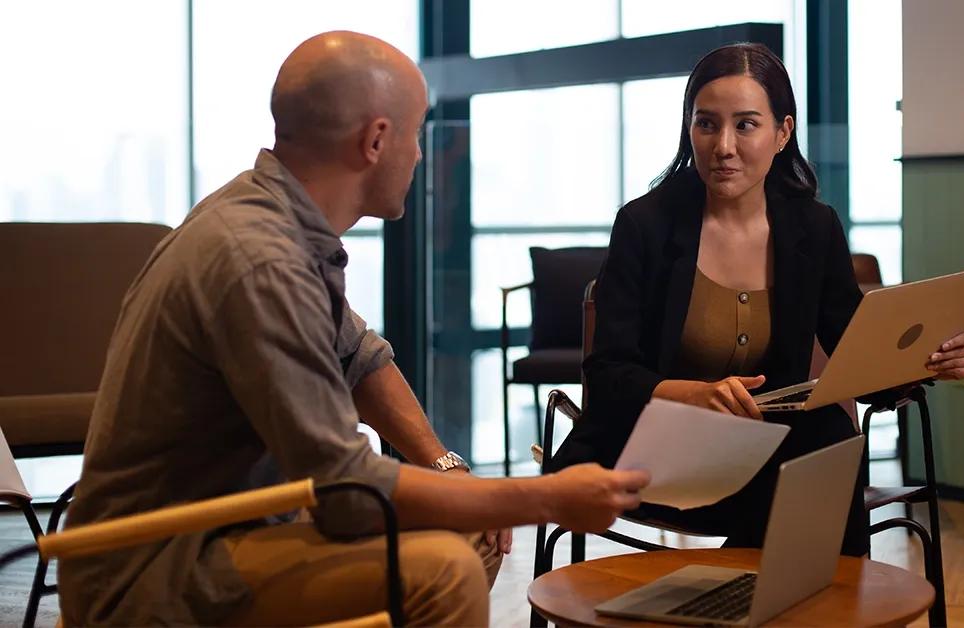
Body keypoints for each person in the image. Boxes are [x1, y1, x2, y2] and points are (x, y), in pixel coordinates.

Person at [58, 31, 649, 627]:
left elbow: (362, 359)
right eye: (416, 133)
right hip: (151, 567)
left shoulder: (277, 222)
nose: (419, 154)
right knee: (442, 570)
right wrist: (547, 495)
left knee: (465, 535)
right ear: (375, 140)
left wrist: (445, 466)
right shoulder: (261, 261)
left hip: (232, 526)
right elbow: (346, 495)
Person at [549, 43, 964, 555]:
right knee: (808, 476)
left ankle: (757, 601)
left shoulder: (813, 227)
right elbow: (608, 373)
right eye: (706, 124)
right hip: (654, 444)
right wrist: (690, 393)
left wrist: (928, 360)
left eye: (746, 125)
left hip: (760, 448)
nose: (723, 146)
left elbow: (856, 354)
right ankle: (749, 600)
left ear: (782, 133)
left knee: (830, 437)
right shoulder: (645, 224)